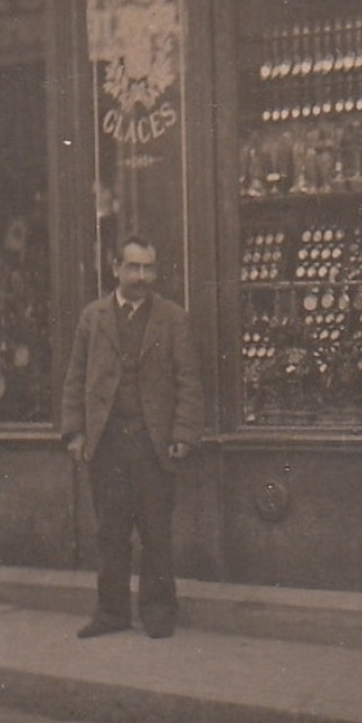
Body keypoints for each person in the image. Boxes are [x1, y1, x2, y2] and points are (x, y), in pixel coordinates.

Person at [61, 235, 203, 639]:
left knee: (156, 530)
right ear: (116, 269)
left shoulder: (173, 318)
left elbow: (188, 381)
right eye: (134, 267)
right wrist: (74, 432)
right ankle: (111, 612)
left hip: (152, 442)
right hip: (106, 443)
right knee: (110, 532)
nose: (142, 277)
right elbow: (74, 378)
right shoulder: (93, 317)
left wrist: (183, 434)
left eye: (149, 268)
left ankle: (158, 611)